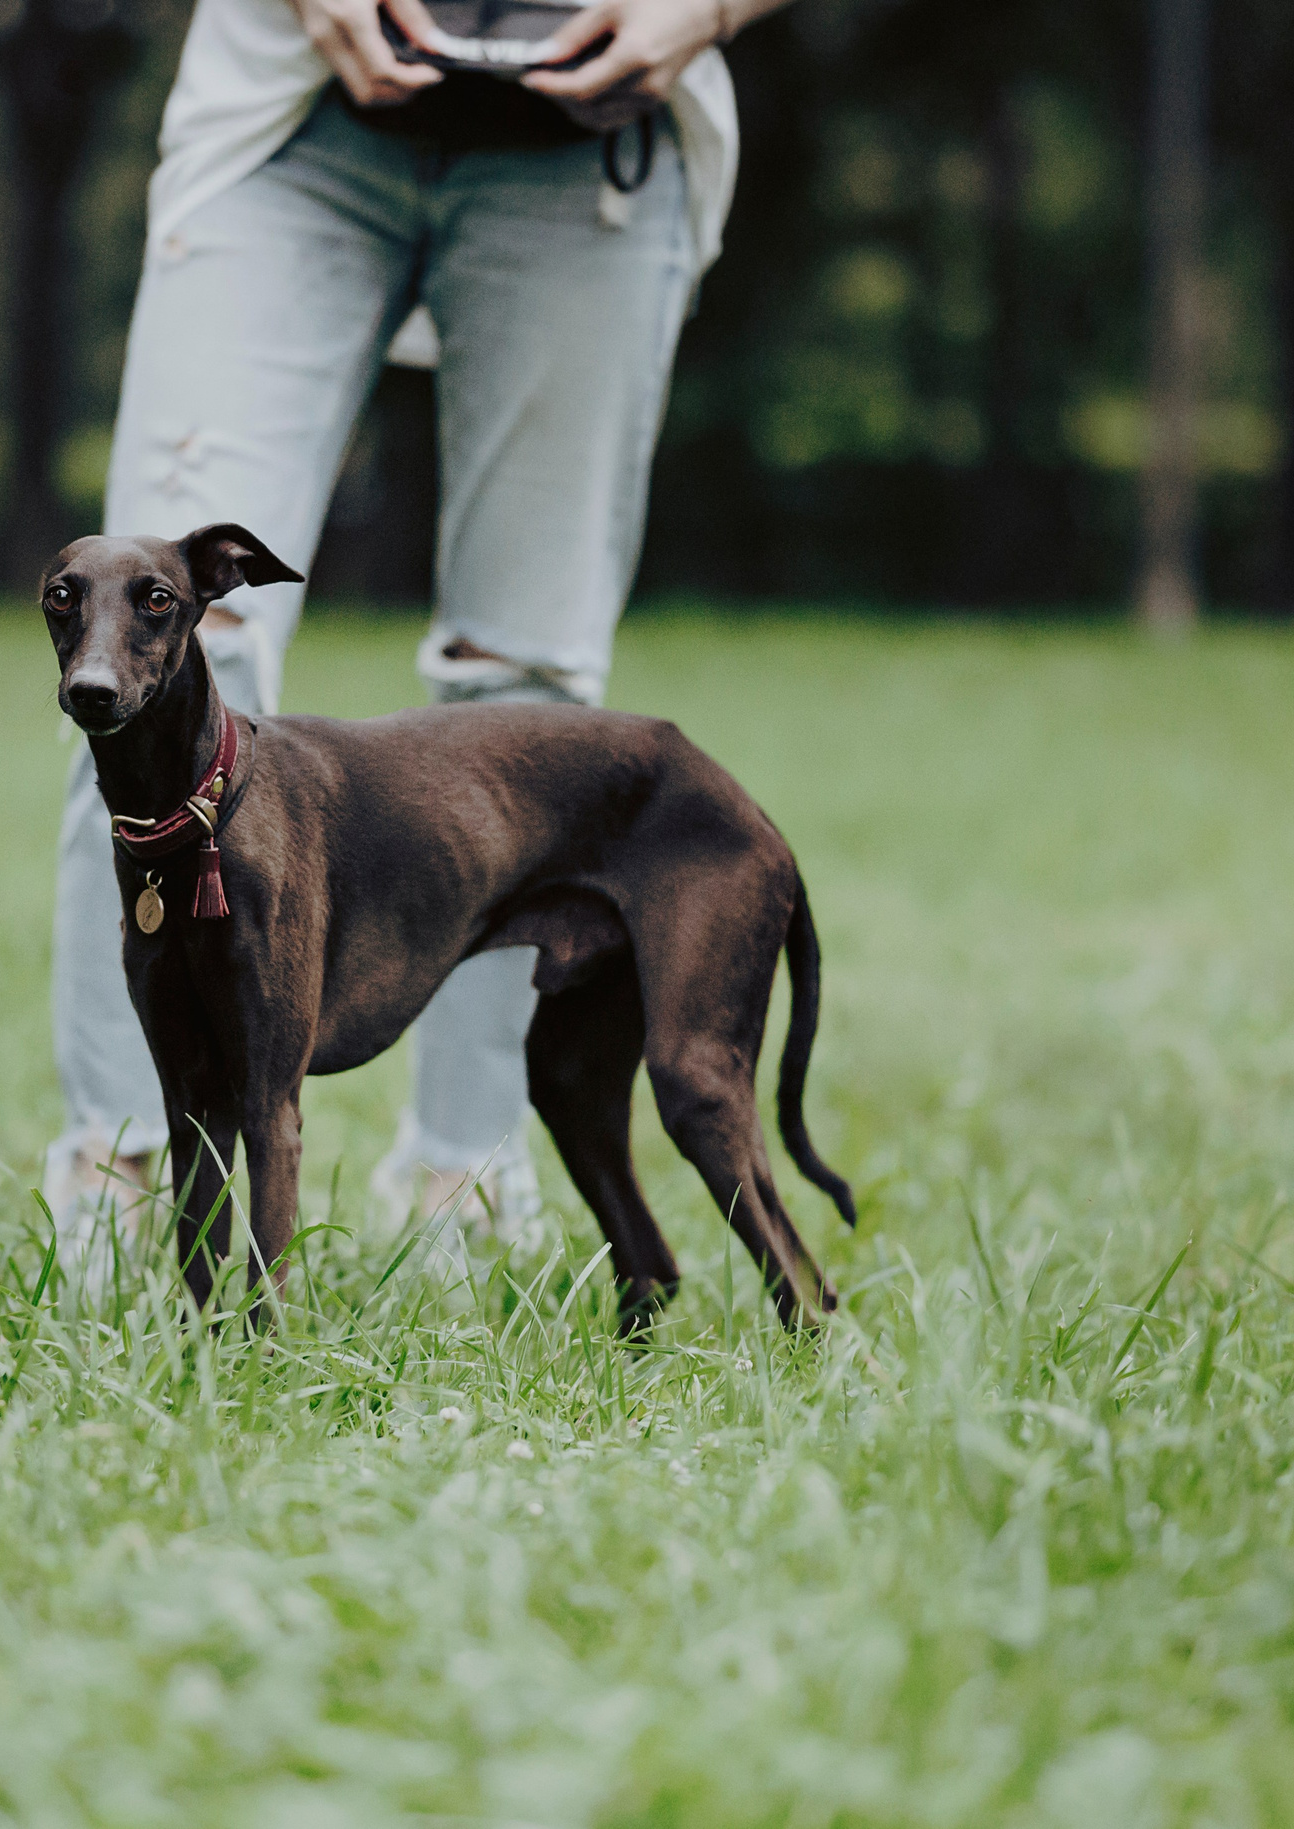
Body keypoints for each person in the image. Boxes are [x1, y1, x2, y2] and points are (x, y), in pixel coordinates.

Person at [45, 0, 788, 1269]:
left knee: (533, 677)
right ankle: (122, 1182)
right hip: (291, 119)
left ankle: (468, 1185)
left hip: (595, 140)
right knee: (154, 662)